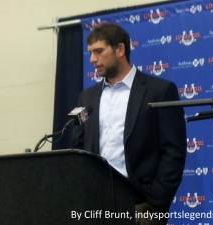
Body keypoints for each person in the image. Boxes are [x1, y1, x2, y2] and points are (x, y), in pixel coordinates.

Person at [71, 23, 186, 225]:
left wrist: (154, 207)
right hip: (95, 208)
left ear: (120, 49)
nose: (92, 59)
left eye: (98, 51)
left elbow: (173, 153)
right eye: (90, 53)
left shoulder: (159, 91)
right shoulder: (86, 98)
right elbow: (78, 151)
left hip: (140, 208)